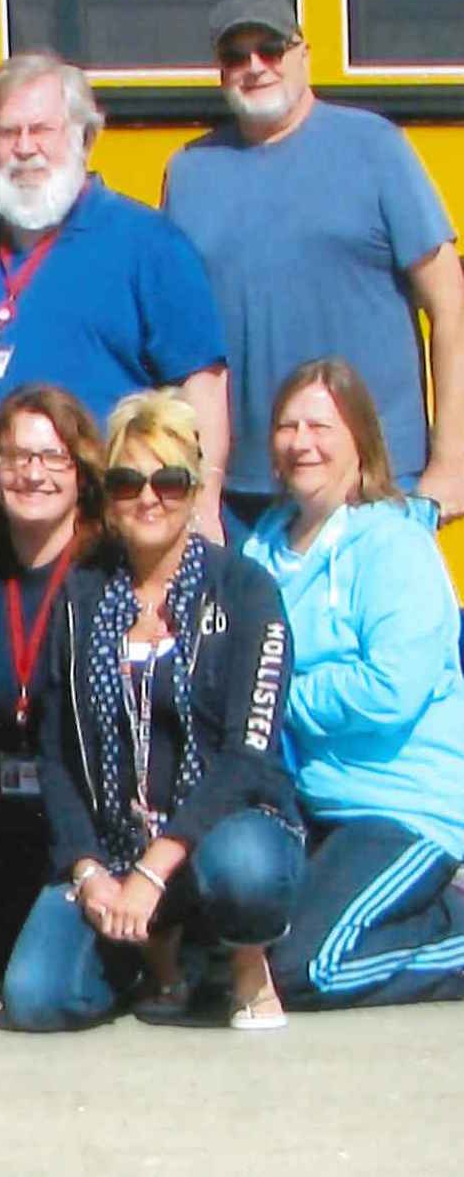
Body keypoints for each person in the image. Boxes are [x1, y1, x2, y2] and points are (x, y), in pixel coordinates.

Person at [0, 390, 303, 1032]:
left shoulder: (244, 589)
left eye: (168, 480)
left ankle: (244, 960)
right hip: (112, 846)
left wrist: (153, 868)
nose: (148, 497)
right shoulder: (81, 595)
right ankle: (148, 960)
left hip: (217, 837)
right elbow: (53, 753)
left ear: (195, 489)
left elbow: (249, 757)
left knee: (245, 870)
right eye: (127, 481)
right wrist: (87, 872)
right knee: (34, 998)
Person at [164, 0, 464, 530]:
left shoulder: (375, 147)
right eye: (236, 56)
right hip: (240, 497)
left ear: (303, 54)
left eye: (271, 48)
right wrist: (199, 487)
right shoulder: (188, 173)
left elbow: (450, 305)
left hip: (372, 484)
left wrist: (451, 465)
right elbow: (181, 345)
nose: (255, 67)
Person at [0, 52, 231, 548]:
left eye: (42, 130)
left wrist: (202, 503)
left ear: (84, 137)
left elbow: (202, 385)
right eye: (6, 133)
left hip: (99, 552)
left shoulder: (148, 245)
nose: (25, 149)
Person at [242, 359, 464, 1009]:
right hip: (308, 808)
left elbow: (389, 687)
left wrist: (277, 694)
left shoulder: (393, 545)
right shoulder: (261, 548)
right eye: (287, 425)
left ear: (359, 439)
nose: (300, 440)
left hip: (399, 807)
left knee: (302, 971)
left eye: (320, 424)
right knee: (241, 949)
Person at [0, 385, 107, 988]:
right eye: (15, 457)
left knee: (32, 981)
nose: (32, 474)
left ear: (82, 472)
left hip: (77, 820)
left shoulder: (107, 567)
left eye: (52, 458)